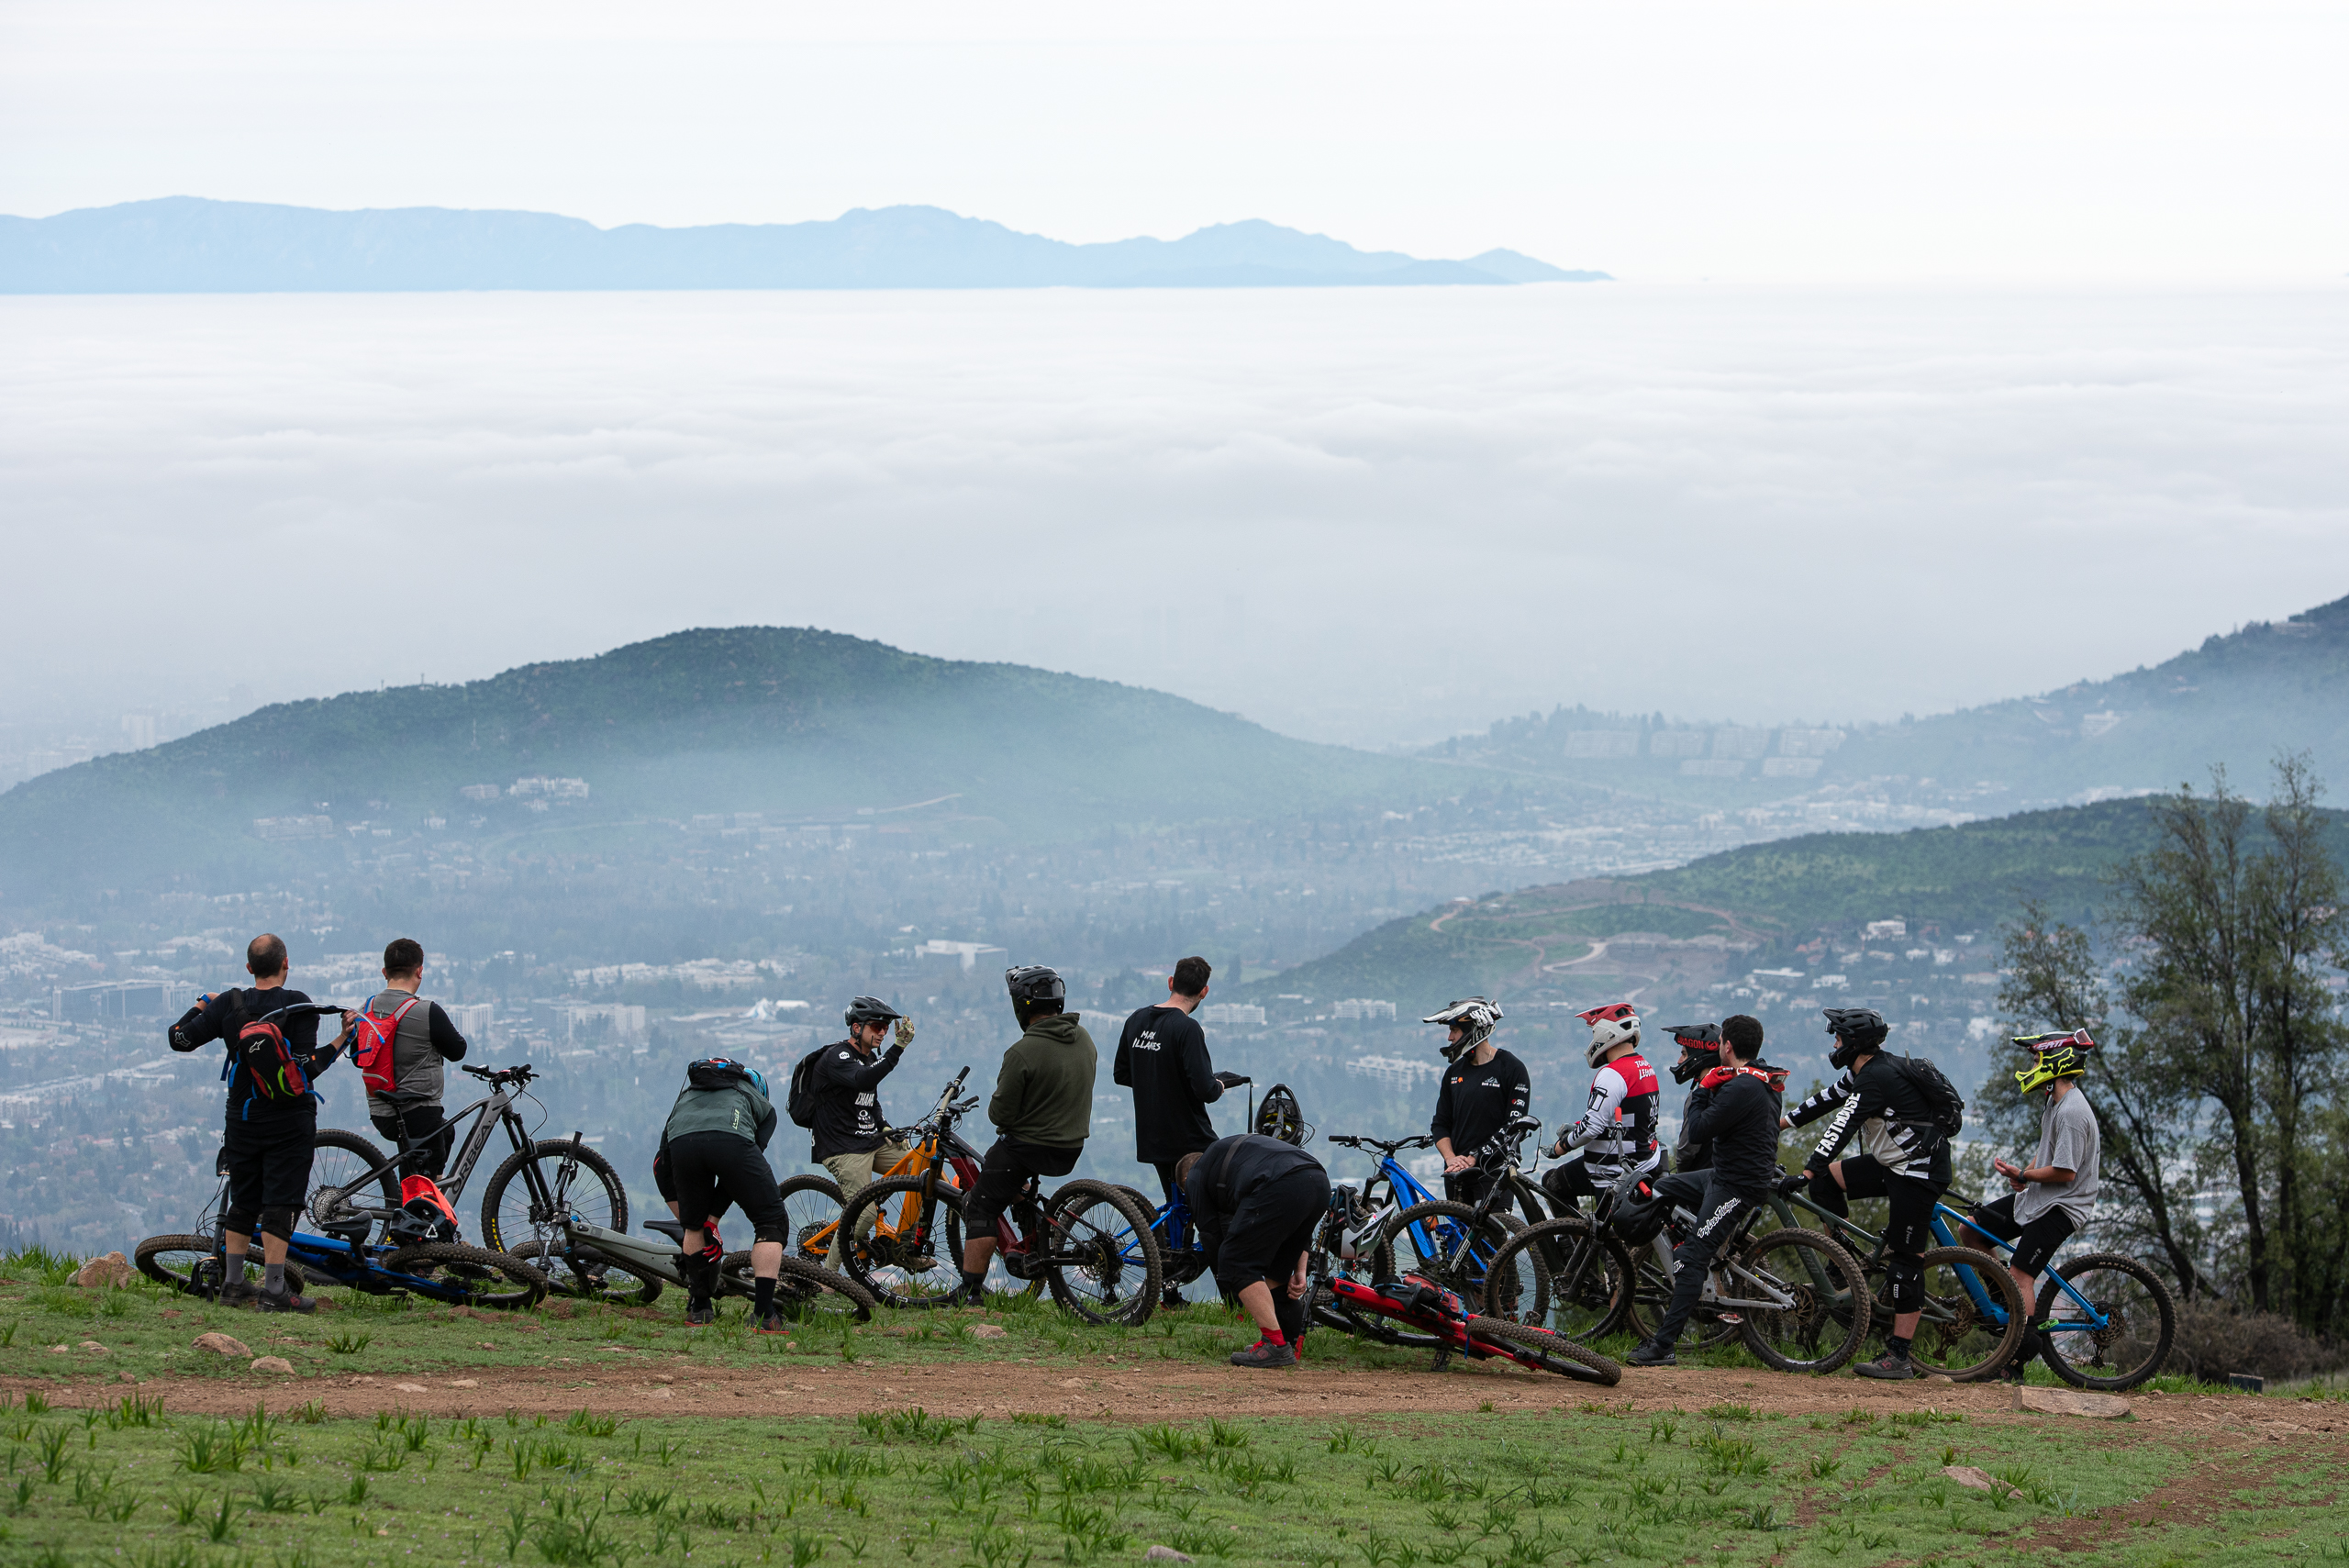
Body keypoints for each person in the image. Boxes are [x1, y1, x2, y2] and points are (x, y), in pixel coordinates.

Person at [164, 932, 348, 1314]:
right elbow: (307, 1068)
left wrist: (201, 1006)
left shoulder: (229, 1004)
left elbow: (178, 1040)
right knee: (282, 1201)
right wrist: (342, 1039)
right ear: (286, 964)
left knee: (244, 1197)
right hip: (290, 1120)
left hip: (242, 1118)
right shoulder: (299, 1005)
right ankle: (276, 1289)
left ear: (249, 968)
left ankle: (232, 1284)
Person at [1784, 1006, 1954, 1380]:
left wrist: (1807, 1168)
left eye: (1839, 1038)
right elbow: (1829, 1098)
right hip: (1893, 1165)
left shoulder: (1877, 1078)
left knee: (1905, 1259)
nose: (1834, 1044)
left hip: (1919, 1172)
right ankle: (1843, 1260)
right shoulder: (1865, 1070)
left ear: (1855, 1042)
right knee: (1826, 1182)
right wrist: (1780, 1122)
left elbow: (1842, 1125)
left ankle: (1899, 1357)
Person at [1628, 1013, 1788, 1365]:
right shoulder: (1760, 1078)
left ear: (1726, 1047)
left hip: (1736, 1186)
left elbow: (1699, 1130)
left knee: (1689, 1259)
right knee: (1663, 1188)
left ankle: (1663, 1346)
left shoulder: (1740, 1087)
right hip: (1722, 1175)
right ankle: (1698, 1244)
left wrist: (1703, 1089)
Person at [1962, 1030, 2102, 1383]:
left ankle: (2017, 1357)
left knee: (2023, 1274)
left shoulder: (2072, 1111)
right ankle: (2007, 1308)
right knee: (1971, 1230)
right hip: (2040, 1196)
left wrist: (2027, 1173)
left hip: (2063, 1206)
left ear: (2056, 1061)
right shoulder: (2054, 1100)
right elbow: (2049, 1153)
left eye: (2037, 1059)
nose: (2033, 1066)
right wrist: (2027, 1176)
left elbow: (2066, 1172)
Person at [956, 966, 1096, 1304]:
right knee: (1000, 1169)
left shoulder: (1023, 1051)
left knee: (980, 1205)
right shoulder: (1084, 1039)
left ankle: (970, 1291)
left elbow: (999, 1115)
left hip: (1029, 1149)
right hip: (1071, 1147)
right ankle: (1027, 1217)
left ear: (1022, 1006)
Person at [1113, 955, 1247, 1307]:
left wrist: (1156, 1080)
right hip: (1190, 1139)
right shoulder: (1187, 1029)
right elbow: (1205, 1089)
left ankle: (1169, 1293)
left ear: (1170, 982)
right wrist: (1220, 1084)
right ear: (1204, 991)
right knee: (1218, 1217)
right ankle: (1234, 1300)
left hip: (1153, 1136)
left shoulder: (1136, 1020)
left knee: (1180, 1212)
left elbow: (1122, 1074)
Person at [657, 1056, 792, 1331]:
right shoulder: (763, 1108)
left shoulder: (685, 1099)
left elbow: (661, 1166)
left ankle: (700, 1309)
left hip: (684, 1145)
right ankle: (765, 1316)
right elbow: (736, 1176)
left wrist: (694, 1219)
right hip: (731, 1142)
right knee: (771, 1222)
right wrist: (713, 1218)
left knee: (693, 1229)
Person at [1178, 1132, 1331, 1368]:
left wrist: (1230, 1282)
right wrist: (1300, 1270)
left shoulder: (1195, 1176)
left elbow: (1210, 1233)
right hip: (1318, 1180)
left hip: (1281, 1182)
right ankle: (1288, 1344)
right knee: (1277, 1277)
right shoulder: (1230, 1159)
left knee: (1235, 1262)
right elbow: (1296, 1228)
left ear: (1186, 1179)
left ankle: (1276, 1346)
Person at [812, 996, 916, 1268]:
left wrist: (884, 1127)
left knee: (924, 1171)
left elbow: (870, 1100)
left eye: (886, 1027)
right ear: (857, 1028)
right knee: (865, 1216)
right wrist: (899, 1047)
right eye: (877, 1026)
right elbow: (863, 1080)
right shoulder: (839, 1056)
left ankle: (905, 1246)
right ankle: (827, 1280)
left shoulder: (868, 1057)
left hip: (870, 1140)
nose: (882, 1032)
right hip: (843, 1148)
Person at [353, 938, 470, 1177]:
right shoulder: (426, 1011)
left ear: (384, 972)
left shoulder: (366, 1009)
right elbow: (458, 1051)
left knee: (446, 1134)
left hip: (380, 1112)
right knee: (423, 1188)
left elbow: (359, 1058)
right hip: (418, 1112)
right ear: (420, 971)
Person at [1541, 1003, 1663, 1210]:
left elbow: (1592, 1127)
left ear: (1606, 1034)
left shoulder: (1613, 1074)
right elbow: (1617, 1116)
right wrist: (1578, 1125)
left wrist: (1560, 1147)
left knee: (1553, 1184)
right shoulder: (1643, 1066)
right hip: (1644, 1160)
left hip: (1614, 1172)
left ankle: (1571, 1239)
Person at [1422, 998, 1529, 1207]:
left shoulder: (1512, 1068)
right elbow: (1440, 1123)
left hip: (1494, 1172)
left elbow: (1515, 1126)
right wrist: (1451, 1158)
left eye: (1454, 1030)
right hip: (1457, 1173)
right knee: (1459, 1239)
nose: (1449, 1037)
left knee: (1493, 1238)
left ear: (1473, 1030)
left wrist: (1474, 1157)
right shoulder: (1454, 1072)